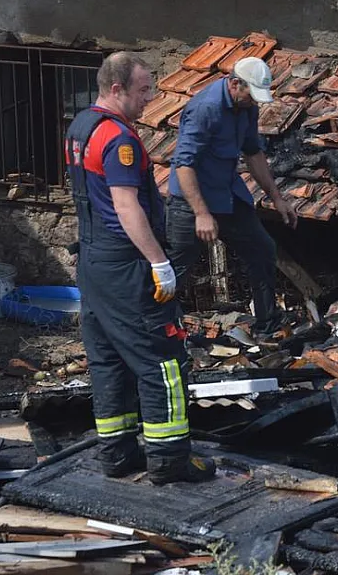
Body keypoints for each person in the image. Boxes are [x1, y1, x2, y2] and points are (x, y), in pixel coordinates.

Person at [65, 51, 216, 485]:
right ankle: (169, 462)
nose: (149, 99)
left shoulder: (80, 127)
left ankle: (117, 455)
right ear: (117, 90)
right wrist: (159, 262)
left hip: (93, 263)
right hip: (126, 264)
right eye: (143, 90)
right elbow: (126, 207)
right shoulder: (120, 140)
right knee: (162, 361)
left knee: (109, 359)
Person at [166, 57, 298, 337]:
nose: (254, 102)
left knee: (262, 249)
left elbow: (253, 153)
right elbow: (184, 164)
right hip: (193, 201)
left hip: (228, 194)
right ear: (234, 83)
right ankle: (158, 332)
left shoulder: (247, 107)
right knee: (175, 270)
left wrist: (276, 197)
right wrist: (201, 214)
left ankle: (267, 323)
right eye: (251, 95)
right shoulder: (206, 109)